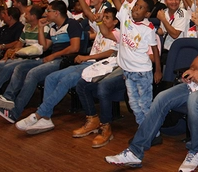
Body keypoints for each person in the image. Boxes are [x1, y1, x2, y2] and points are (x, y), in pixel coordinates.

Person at [104, 0, 198, 171]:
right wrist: (193, 69)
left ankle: (197, 150)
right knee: (162, 98)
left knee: (195, 99)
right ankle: (136, 152)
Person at [14, 8, 119, 136]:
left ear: (115, 22)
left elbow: (112, 52)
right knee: (51, 78)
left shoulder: (117, 33)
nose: (103, 19)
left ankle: (39, 114)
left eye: (107, 18)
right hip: (86, 63)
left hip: (98, 66)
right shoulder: (100, 29)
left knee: (66, 80)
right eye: (104, 17)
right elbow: (89, 13)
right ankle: (46, 118)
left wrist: (87, 57)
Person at [0, 0, 82, 123]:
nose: (46, 14)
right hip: (51, 58)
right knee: (20, 68)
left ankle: (14, 113)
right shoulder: (53, 28)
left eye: (48, 11)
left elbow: (75, 47)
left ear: (57, 13)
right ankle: (8, 98)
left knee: (33, 73)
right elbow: (44, 46)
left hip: (64, 61)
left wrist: (54, 56)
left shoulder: (72, 24)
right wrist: (41, 28)